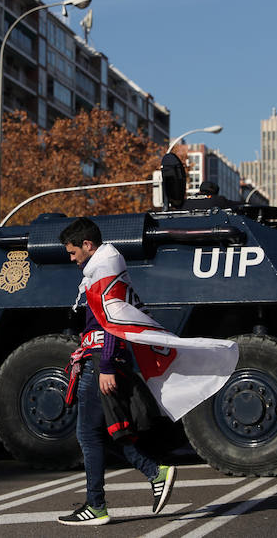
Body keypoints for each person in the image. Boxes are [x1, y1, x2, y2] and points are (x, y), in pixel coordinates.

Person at [58, 217, 177, 526]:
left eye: (72, 252)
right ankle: (153, 473)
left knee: (88, 434)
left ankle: (97, 506)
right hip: (102, 358)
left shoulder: (103, 270)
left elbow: (113, 320)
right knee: (103, 433)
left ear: (87, 245)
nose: (71, 259)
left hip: (101, 359)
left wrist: (107, 365)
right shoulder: (105, 266)